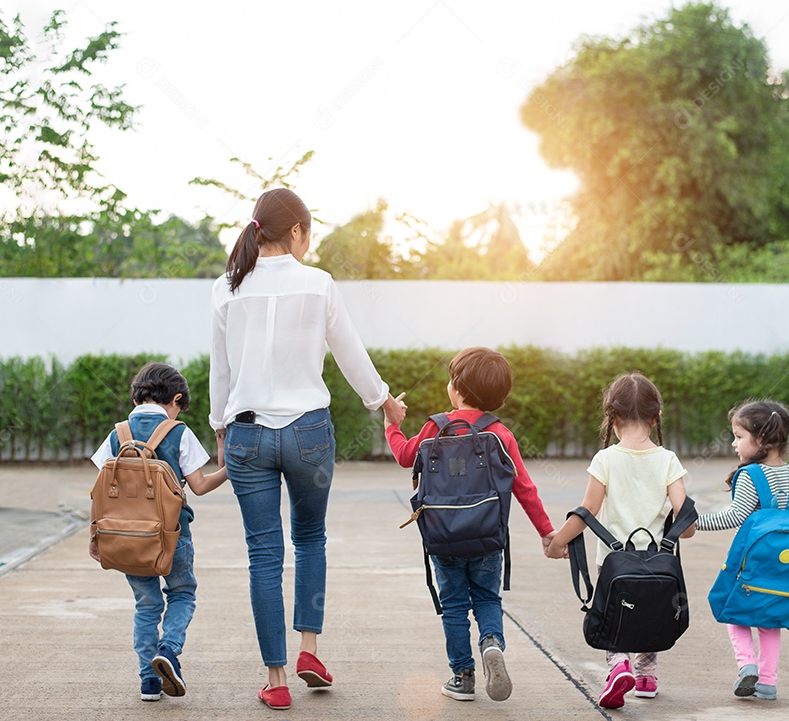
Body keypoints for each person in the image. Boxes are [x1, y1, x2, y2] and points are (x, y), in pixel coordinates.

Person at [209, 187, 406, 711]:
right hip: (308, 435)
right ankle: (309, 650)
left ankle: (274, 679)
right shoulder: (318, 284)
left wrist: (219, 429)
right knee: (311, 538)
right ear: (295, 231)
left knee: (263, 556)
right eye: (308, 232)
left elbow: (220, 370)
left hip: (247, 434)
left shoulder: (227, 288)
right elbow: (350, 352)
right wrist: (383, 401)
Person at [385, 346, 556, 703]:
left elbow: (405, 457)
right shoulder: (501, 434)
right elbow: (524, 487)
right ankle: (491, 643)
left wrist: (392, 425)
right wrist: (546, 532)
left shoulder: (435, 426)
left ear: (456, 388)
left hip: (444, 537)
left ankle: (462, 677)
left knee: (454, 605)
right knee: (487, 598)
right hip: (488, 538)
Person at [545, 372, 695, 709]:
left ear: (612, 418)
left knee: (617, 612)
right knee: (650, 609)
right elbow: (686, 523)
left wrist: (558, 542)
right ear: (657, 417)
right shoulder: (668, 460)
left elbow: (588, 511)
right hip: (658, 561)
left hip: (613, 562)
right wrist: (679, 531)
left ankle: (618, 667)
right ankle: (646, 676)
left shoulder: (606, 459)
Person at [89, 362, 227, 702]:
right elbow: (200, 486)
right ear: (176, 398)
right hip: (171, 535)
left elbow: (99, 491)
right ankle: (169, 649)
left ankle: (149, 682)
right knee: (182, 593)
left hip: (124, 539)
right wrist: (230, 471)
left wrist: (95, 536)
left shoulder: (116, 434)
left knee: (146, 605)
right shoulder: (178, 432)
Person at [696, 399, 789, 702]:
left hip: (750, 562)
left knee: (733, 610)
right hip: (784, 564)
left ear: (762, 439)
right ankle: (767, 683)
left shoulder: (752, 475)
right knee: (770, 620)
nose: (733, 444)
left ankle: (747, 665)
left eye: (739, 437)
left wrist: (694, 523)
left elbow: (734, 516)